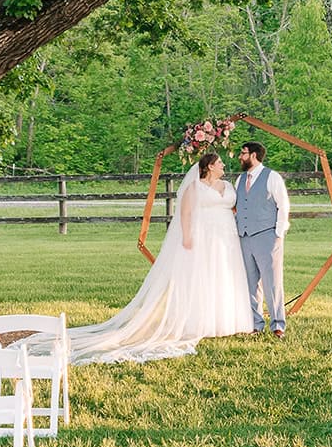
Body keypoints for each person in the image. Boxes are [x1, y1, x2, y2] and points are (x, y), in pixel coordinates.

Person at [61, 151, 253, 363]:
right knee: (203, 278)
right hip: (203, 236)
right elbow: (186, 213)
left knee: (225, 276)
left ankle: (227, 321)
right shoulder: (194, 187)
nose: (223, 165)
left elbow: (235, 208)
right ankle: (201, 322)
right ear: (209, 166)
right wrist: (188, 236)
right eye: (219, 163)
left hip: (226, 237)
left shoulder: (228, 186)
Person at [234, 140, 289, 337]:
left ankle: (277, 325)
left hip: (267, 235)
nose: (240, 157)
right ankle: (256, 324)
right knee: (250, 283)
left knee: (272, 282)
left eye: (243, 153)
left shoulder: (272, 177)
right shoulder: (240, 180)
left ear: (254, 155)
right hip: (245, 236)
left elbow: (283, 205)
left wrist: (278, 233)